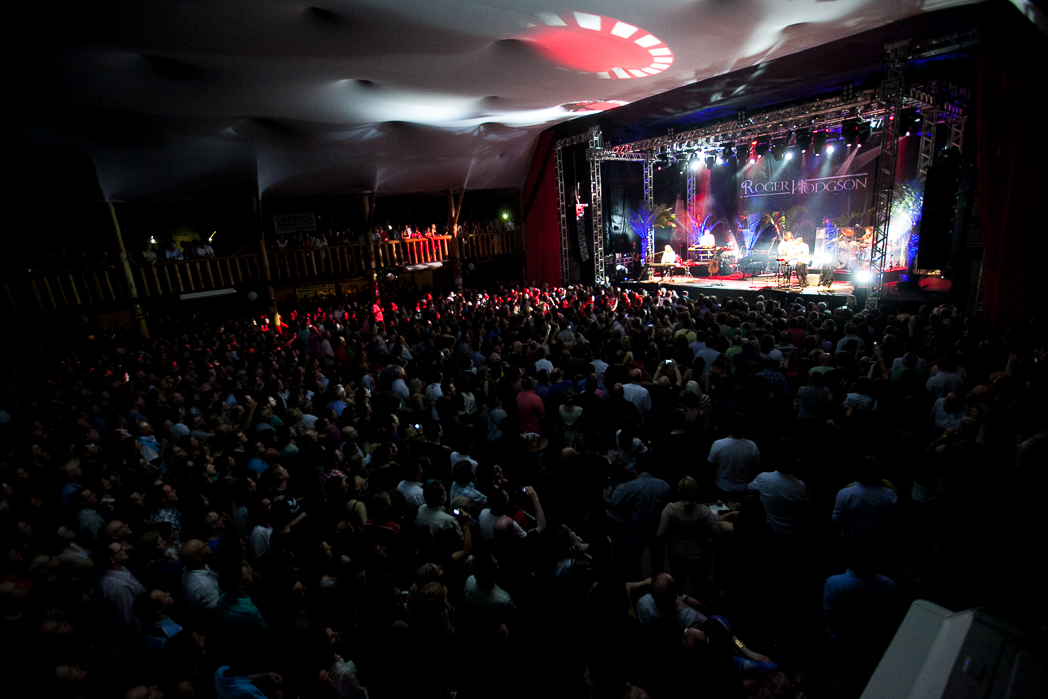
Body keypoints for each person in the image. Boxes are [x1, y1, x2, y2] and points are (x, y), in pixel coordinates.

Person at [656, 476, 720, 600]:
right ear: (695, 491)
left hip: (676, 555)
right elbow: (716, 534)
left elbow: (661, 534)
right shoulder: (704, 511)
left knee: (677, 589)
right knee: (699, 591)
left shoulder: (670, 509)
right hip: (700, 556)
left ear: (679, 491)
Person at [708, 413, 760, 499]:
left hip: (722, 487)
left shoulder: (718, 444)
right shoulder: (752, 446)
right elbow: (756, 468)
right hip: (744, 489)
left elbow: (711, 467)